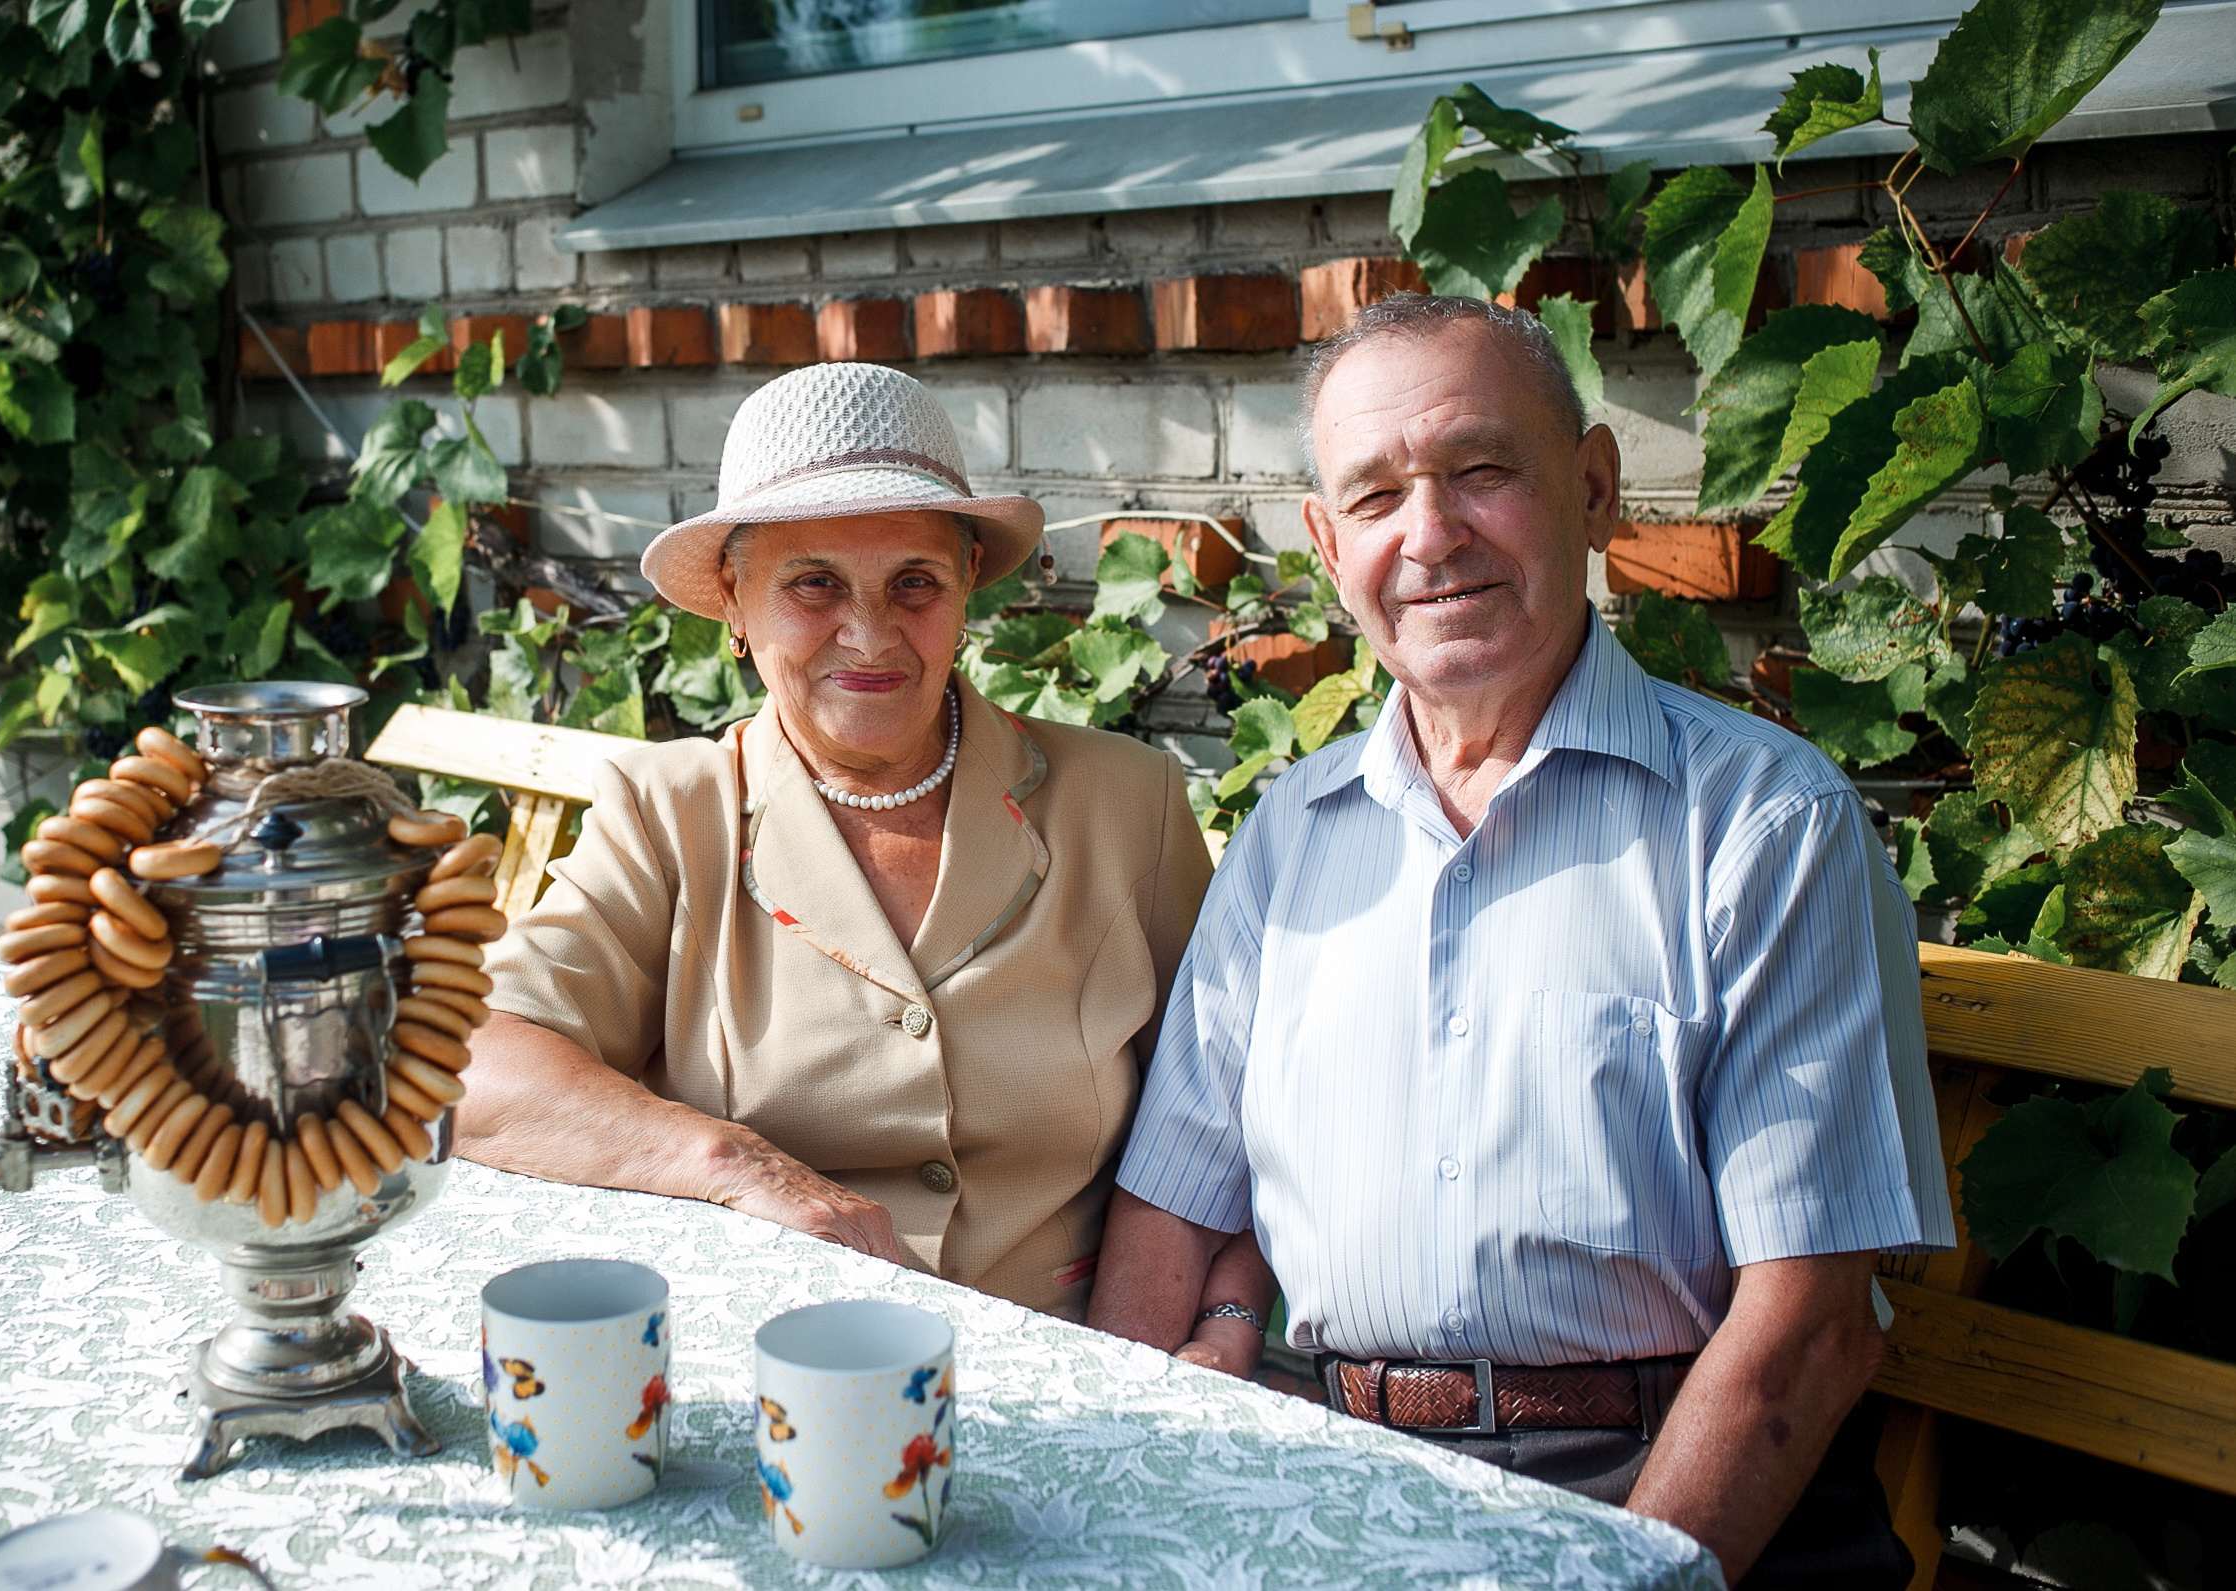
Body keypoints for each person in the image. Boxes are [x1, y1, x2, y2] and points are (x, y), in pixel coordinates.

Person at [1089, 295, 1954, 1585]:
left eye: (1482, 471)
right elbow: (1169, 1213)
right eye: (1375, 498)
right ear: (1328, 544)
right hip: (1341, 1477)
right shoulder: (1290, 834)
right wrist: (1112, 1503)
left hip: (1668, 1484)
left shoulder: (1764, 824)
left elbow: (1808, 1331)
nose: (1430, 536)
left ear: (1594, 488)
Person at [461, 362, 1213, 1319]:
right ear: (733, 599)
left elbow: (1215, 1121)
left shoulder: (1123, 801)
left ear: (969, 581)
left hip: (1078, 1352)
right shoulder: (671, 814)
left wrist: (1159, 1355)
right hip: (783, 1367)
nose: (870, 634)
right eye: (814, 584)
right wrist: (735, 1164)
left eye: (914, 583)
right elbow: (471, 1064)